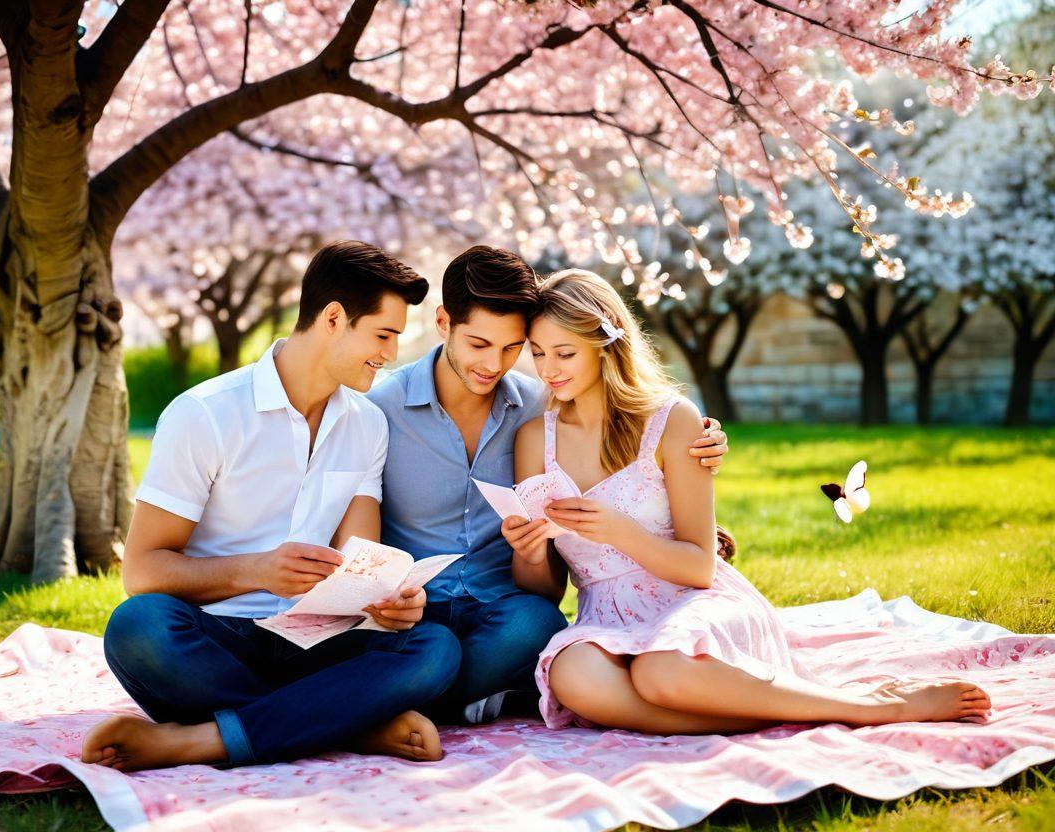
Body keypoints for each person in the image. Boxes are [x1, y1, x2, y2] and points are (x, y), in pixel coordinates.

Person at [505, 269, 992, 734]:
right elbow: (545, 589)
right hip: (606, 620)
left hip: (694, 603)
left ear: (606, 344)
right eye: (538, 353)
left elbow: (700, 568)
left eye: (565, 353)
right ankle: (774, 712)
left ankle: (871, 708)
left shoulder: (672, 420)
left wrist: (618, 530)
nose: (548, 370)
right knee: (572, 676)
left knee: (662, 672)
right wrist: (528, 553)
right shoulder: (534, 440)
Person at [81, 242, 462, 772]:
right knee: (138, 627)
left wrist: (388, 602)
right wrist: (256, 571)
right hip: (217, 640)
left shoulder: (367, 423)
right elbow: (142, 570)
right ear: (334, 318)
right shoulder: (204, 414)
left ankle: (199, 742)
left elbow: (360, 561)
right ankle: (352, 721)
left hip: (316, 640)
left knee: (435, 647)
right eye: (383, 334)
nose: (392, 352)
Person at [367, 247, 730, 724]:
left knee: (536, 624)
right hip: (416, 610)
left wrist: (701, 440)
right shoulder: (380, 409)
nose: (494, 364)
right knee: (432, 649)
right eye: (479, 344)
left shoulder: (538, 408)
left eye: (513, 348)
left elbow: (623, 424)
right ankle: (461, 696)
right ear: (443, 323)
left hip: (501, 613)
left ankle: (405, 704)